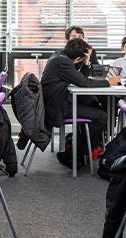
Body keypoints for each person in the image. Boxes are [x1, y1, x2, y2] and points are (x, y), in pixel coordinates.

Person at [41, 38, 121, 167]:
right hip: (57, 107)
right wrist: (109, 82)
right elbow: (85, 83)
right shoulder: (62, 62)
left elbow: (80, 79)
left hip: (57, 101)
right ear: (79, 57)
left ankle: (75, 152)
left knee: (94, 106)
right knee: (102, 117)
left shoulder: (59, 56)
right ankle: (74, 154)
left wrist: (87, 62)